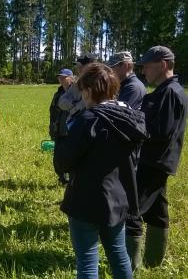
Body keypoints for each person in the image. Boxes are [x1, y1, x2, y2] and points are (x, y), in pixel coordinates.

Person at [54, 63, 147, 279]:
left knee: (87, 260)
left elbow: (62, 163)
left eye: (83, 90)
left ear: (89, 90)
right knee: (118, 254)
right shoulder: (131, 118)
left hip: (86, 200)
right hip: (119, 198)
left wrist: (64, 137)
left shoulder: (88, 120)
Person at [126, 46, 187, 270]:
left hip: (154, 161)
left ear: (162, 65)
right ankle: (153, 262)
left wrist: (133, 127)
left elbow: (161, 132)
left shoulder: (170, 93)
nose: (144, 72)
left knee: (132, 211)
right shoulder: (166, 91)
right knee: (157, 210)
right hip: (159, 161)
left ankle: (128, 267)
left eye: (147, 67)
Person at [49, 68, 74, 184]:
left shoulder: (77, 92)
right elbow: (52, 111)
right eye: (60, 77)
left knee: (72, 155)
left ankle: (73, 179)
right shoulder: (58, 93)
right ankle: (62, 178)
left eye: (64, 77)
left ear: (71, 78)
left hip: (73, 130)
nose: (61, 79)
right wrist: (52, 127)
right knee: (58, 157)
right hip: (59, 129)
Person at [57, 53, 97, 121]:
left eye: (80, 66)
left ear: (90, 66)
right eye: (77, 66)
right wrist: (74, 105)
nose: (78, 69)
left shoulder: (100, 84)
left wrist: (74, 108)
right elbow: (61, 101)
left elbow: (90, 104)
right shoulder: (77, 84)